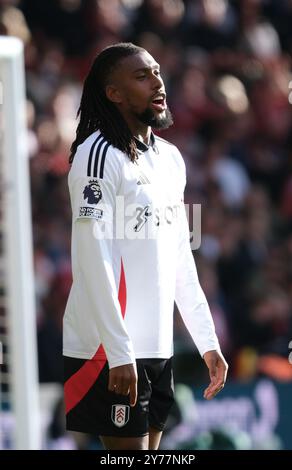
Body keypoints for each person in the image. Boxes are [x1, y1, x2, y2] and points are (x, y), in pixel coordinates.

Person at [63, 42, 228, 451]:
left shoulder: (172, 159)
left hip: (157, 346)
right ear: (113, 93)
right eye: (142, 75)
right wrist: (119, 350)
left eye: (156, 71)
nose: (157, 82)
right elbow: (91, 253)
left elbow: (180, 255)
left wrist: (206, 340)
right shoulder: (97, 155)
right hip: (109, 346)